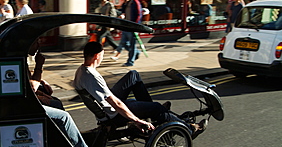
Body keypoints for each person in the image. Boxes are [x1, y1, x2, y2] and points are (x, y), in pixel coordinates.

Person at [74, 42, 207, 138]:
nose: (102, 58)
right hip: (113, 114)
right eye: (102, 55)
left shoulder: (81, 70)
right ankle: (190, 129)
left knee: (134, 75)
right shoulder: (92, 76)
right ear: (97, 56)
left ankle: (148, 110)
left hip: (106, 106)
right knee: (156, 108)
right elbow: (116, 103)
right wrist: (137, 120)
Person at [30, 52, 102, 147]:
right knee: (64, 117)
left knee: (56, 103)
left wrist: (42, 82)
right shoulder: (18, 59)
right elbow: (33, 86)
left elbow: (28, 78)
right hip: (25, 107)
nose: (38, 44)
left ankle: (64, 141)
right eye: (36, 42)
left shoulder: (21, 59)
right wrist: (39, 65)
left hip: (27, 103)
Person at [111, 0, 142, 66]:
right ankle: (137, 53)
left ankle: (130, 61)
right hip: (126, 26)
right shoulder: (128, 2)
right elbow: (123, 10)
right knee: (124, 43)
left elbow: (139, 14)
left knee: (132, 45)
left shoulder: (136, 2)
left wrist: (135, 26)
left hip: (132, 27)